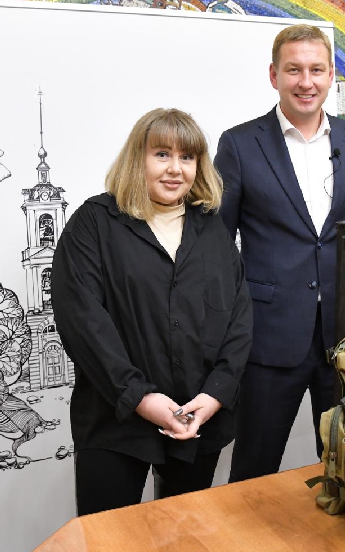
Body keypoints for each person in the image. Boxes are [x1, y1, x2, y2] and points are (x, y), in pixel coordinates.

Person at [52, 108, 252, 514]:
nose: (175, 168)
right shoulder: (94, 223)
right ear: (137, 159)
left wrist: (216, 394)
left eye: (187, 157)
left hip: (196, 419)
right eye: (162, 154)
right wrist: (139, 397)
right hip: (115, 422)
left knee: (184, 536)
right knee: (108, 537)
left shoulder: (211, 228)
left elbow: (238, 318)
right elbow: (83, 322)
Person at [215, 23, 345, 482]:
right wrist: (232, 321)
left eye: (316, 70)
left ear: (331, 75)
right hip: (268, 338)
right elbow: (215, 245)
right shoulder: (239, 144)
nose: (305, 82)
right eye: (294, 70)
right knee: (254, 471)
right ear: (274, 75)